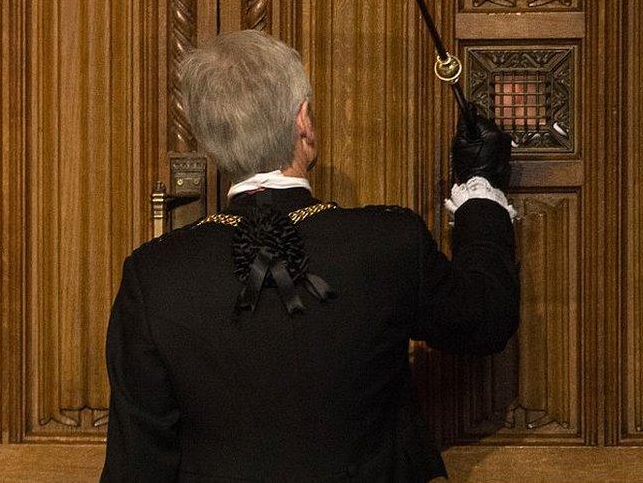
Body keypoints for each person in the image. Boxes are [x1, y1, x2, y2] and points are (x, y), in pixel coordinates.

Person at [101, 30, 519, 482]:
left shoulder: (154, 276)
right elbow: (484, 318)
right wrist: (481, 192)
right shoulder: (387, 243)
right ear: (303, 121)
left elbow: (136, 466)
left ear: (209, 141)